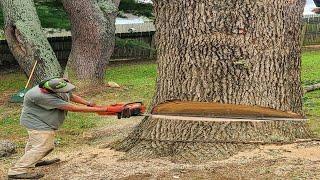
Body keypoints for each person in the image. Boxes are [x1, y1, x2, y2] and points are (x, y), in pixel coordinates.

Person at [7, 77, 119, 179]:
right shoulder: (40, 95)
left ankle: (35, 161)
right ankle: (17, 171)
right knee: (45, 146)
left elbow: (70, 95)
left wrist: (88, 103)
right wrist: (105, 109)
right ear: (51, 91)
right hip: (36, 122)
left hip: (42, 119)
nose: (66, 91)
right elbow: (73, 108)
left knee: (35, 143)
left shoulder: (51, 84)